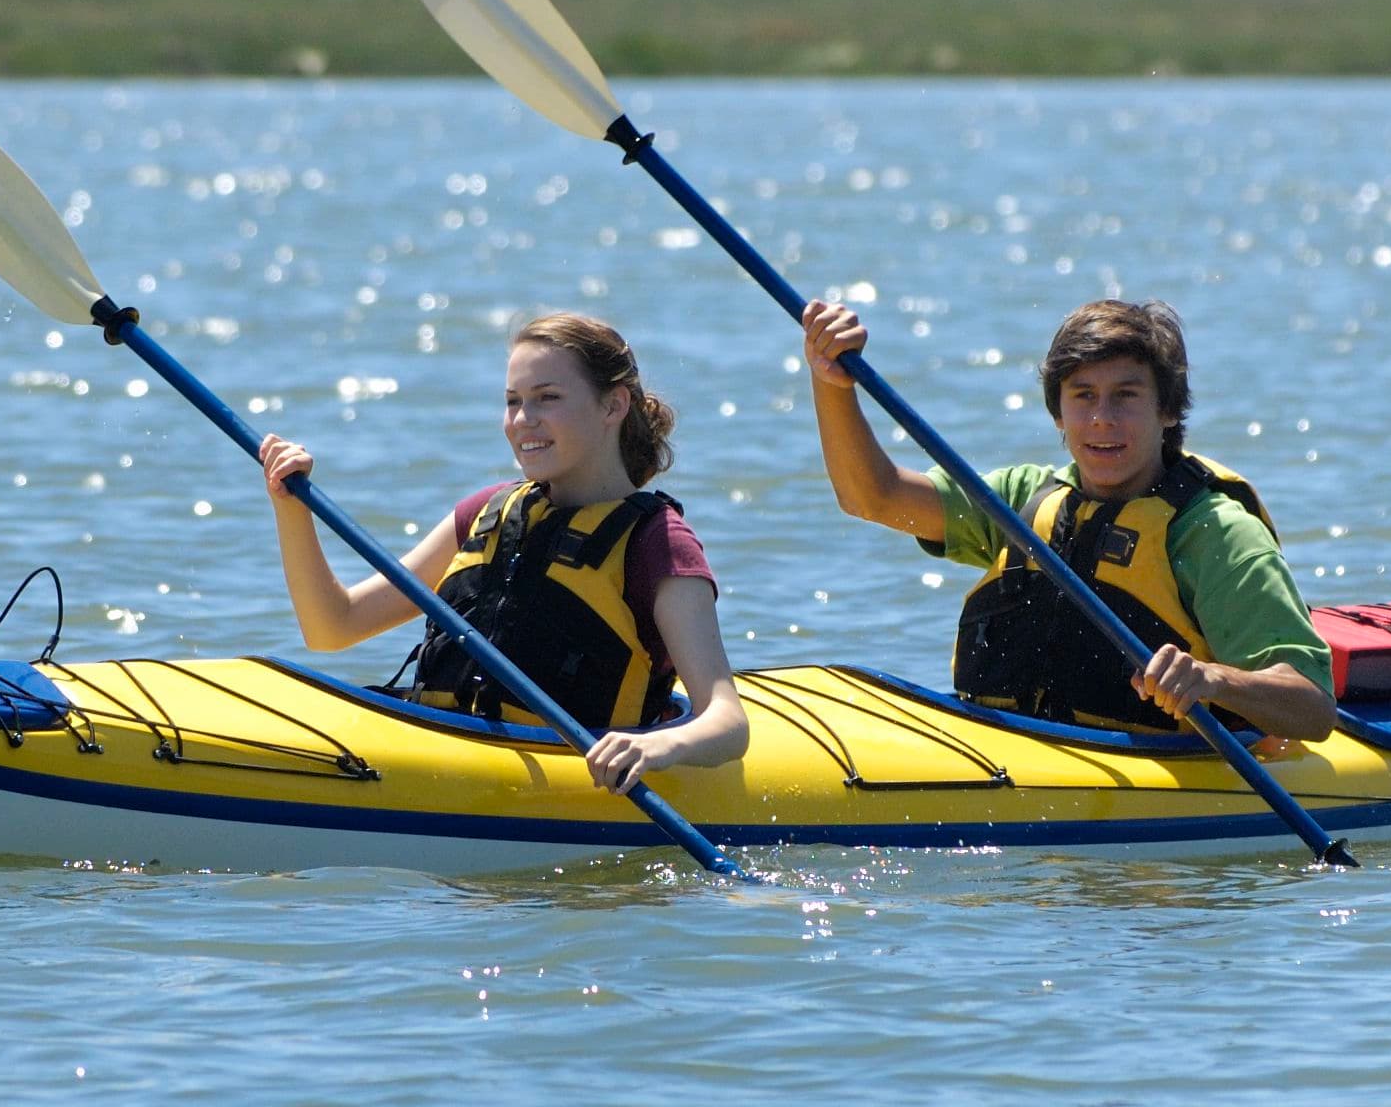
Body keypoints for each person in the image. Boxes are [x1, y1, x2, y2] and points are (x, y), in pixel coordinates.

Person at [799, 295, 1335, 741]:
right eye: (1083, 396)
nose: (1102, 418)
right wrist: (831, 380)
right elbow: (874, 497)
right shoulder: (1022, 498)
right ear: (1058, 413)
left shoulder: (1217, 535)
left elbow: (1313, 709)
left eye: (1126, 395)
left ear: (1168, 410)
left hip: (1169, 783)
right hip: (1018, 750)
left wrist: (1213, 680)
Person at [257, 312, 748, 793]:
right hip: (447, 757)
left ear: (613, 406)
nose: (522, 420)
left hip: (573, 785)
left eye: (547, 398)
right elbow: (332, 627)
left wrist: (657, 748)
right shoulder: (486, 513)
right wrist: (291, 507)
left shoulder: (657, 543)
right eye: (513, 401)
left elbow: (727, 721)